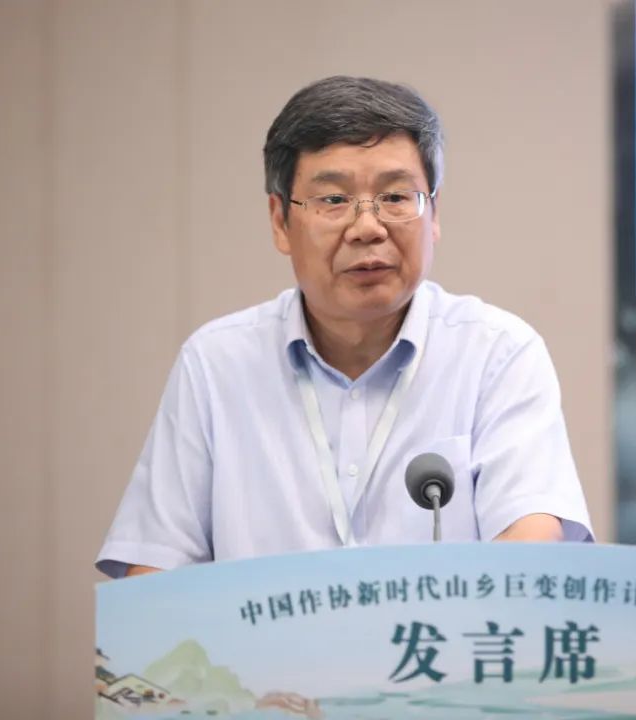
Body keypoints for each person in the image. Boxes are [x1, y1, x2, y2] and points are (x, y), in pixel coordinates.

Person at [96, 76, 593, 579]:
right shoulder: (216, 365)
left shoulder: (498, 354)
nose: (368, 227)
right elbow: (155, 576)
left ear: (434, 213)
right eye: (333, 200)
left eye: (395, 196)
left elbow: (531, 551)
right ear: (279, 221)